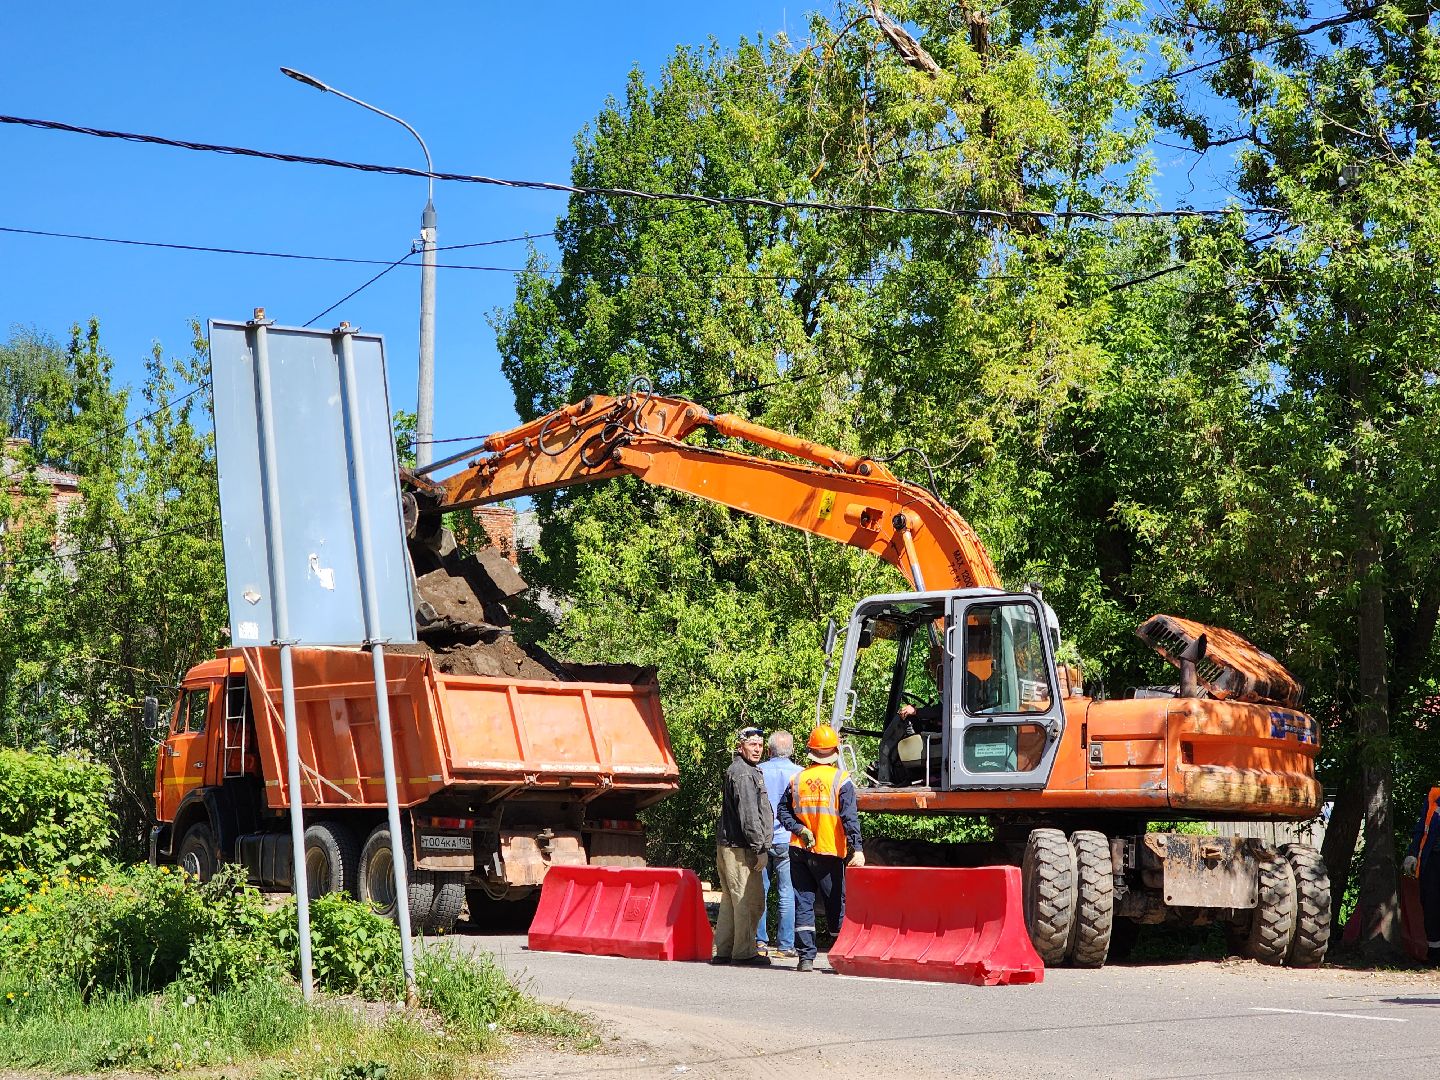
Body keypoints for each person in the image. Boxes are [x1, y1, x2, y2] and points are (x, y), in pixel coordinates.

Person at [777, 723, 863, 972]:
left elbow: (783, 811)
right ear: (835, 750)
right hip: (828, 851)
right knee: (835, 903)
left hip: (799, 850)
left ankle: (805, 958)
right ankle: (837, 957)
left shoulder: (798, 778)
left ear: (811, 750)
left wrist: (800, 829)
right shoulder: (841, 779)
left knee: (803, 902)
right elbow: (849, 817)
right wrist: (857, 848)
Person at [712, 725, 773, 966]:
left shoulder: (738, 769)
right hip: (741, 848)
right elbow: (749, 815)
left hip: (729, 845)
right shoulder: (745, 774)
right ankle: (745, 952)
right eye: (752, 745)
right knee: (749, 900)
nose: (757, 749)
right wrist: (760, 849)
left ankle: (725, 950)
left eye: (759, 745)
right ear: (741, 747)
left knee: (731, 900)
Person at [756, 730, 803, 959]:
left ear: (768, 750)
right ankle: (785, 945)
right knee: (787, 892)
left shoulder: (759, 771)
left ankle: (760, 942)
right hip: (789, 839)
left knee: (760, 891)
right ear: (792, 751)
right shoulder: (800, 774)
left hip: (762, 840)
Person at [1402, 782, 1440, 964]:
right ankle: (1435, 954)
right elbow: (1421, 829)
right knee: (1431, 904)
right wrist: (1411, 853)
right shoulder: (1434, 796)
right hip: (1431, 860)